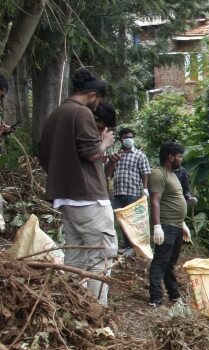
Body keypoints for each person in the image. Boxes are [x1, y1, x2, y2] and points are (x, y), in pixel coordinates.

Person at [38, 69, 116, 305]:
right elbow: (92, 152)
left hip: (66, 200)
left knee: (76, 257)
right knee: (101, 256)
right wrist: (104, 142)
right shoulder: (80, 113)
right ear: (92, 95)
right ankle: (97, 312)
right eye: (98, 101)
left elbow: (43, 156)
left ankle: (73, 309)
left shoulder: (55, 115)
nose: (96, 108)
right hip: (89, 199)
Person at [147, 142, 190, 307]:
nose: (181, 159)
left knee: (171, 262)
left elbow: (173, 200)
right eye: (179, 156)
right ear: (170, 157)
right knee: (161, 261)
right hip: (166, 225)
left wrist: (183, 223)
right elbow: (155, 201)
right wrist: (157, 226)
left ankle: (173, 294)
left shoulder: (173, 174)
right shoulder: (158, 173)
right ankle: (155, 296)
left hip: (177, 225)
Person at [108, 128, 152, 256]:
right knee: (121, 221)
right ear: (121, 139)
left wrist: (144, 189)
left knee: (133, 221)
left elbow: (145, 173)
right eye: (126, 137)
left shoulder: (139, 155)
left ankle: (134, 247)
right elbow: (110, 174)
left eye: (131, 137)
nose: (129, 139)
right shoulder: (116, 155)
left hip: (133, 192)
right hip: (118, 192)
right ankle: (127, 245)